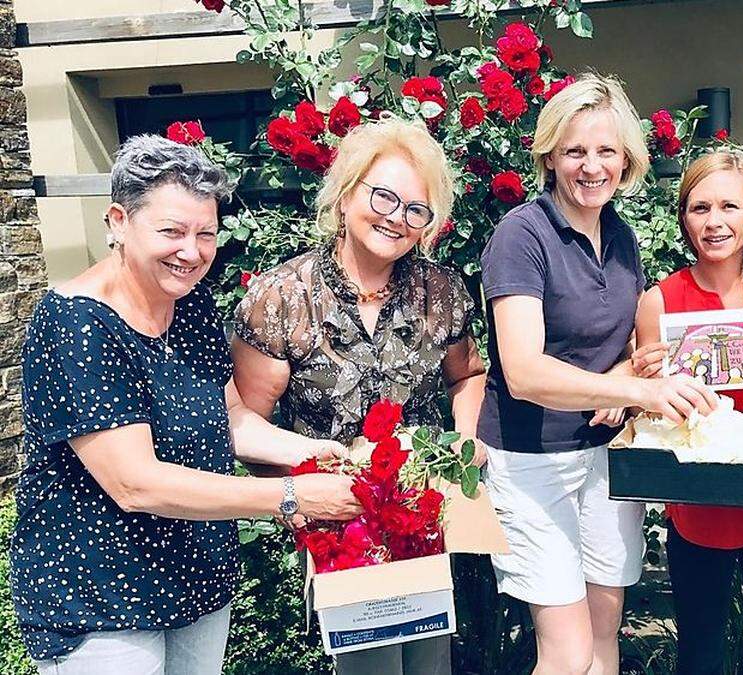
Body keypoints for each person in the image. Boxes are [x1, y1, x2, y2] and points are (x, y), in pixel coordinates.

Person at [11, 134, 362, 675]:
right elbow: (136, 483)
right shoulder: (75, 325)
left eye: (206, 233)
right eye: (171, 231)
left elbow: (232, 420)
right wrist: (292, 495)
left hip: (194, 575)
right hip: (101, 594)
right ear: (118, 222)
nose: (192, 252)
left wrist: (323, 452)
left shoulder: (189, 300)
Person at [479, 74, 720, 675]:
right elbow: (524, 373)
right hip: (533, 460)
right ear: (550, 156)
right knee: (566, 652)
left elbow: (617, 352)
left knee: (605, 632)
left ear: (628, 159)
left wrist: (629, 376)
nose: (592, 166)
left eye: (606, 151)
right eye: (575, 151)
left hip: (605, 455)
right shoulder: (520, 236)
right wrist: (638, 390)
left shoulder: (621, 237)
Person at [232, 116, 482, 675]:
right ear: (346, 194)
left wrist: (466, 443)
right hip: (337, 522)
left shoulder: (440, 292)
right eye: (384, 197)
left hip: (422, 512)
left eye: (416, 210)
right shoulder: (282, 297)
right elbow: (246, 422)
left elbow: (467, 375)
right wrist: (293, 499)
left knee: (428, 663)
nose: (397, 218)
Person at [632, 151, 743, 674]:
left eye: (729, 207)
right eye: (700, 208)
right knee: (701, 653)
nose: (715, 222)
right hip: (697, 510)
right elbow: (649, 419)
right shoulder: (660, 301)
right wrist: (645, 381)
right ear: (684, 218)